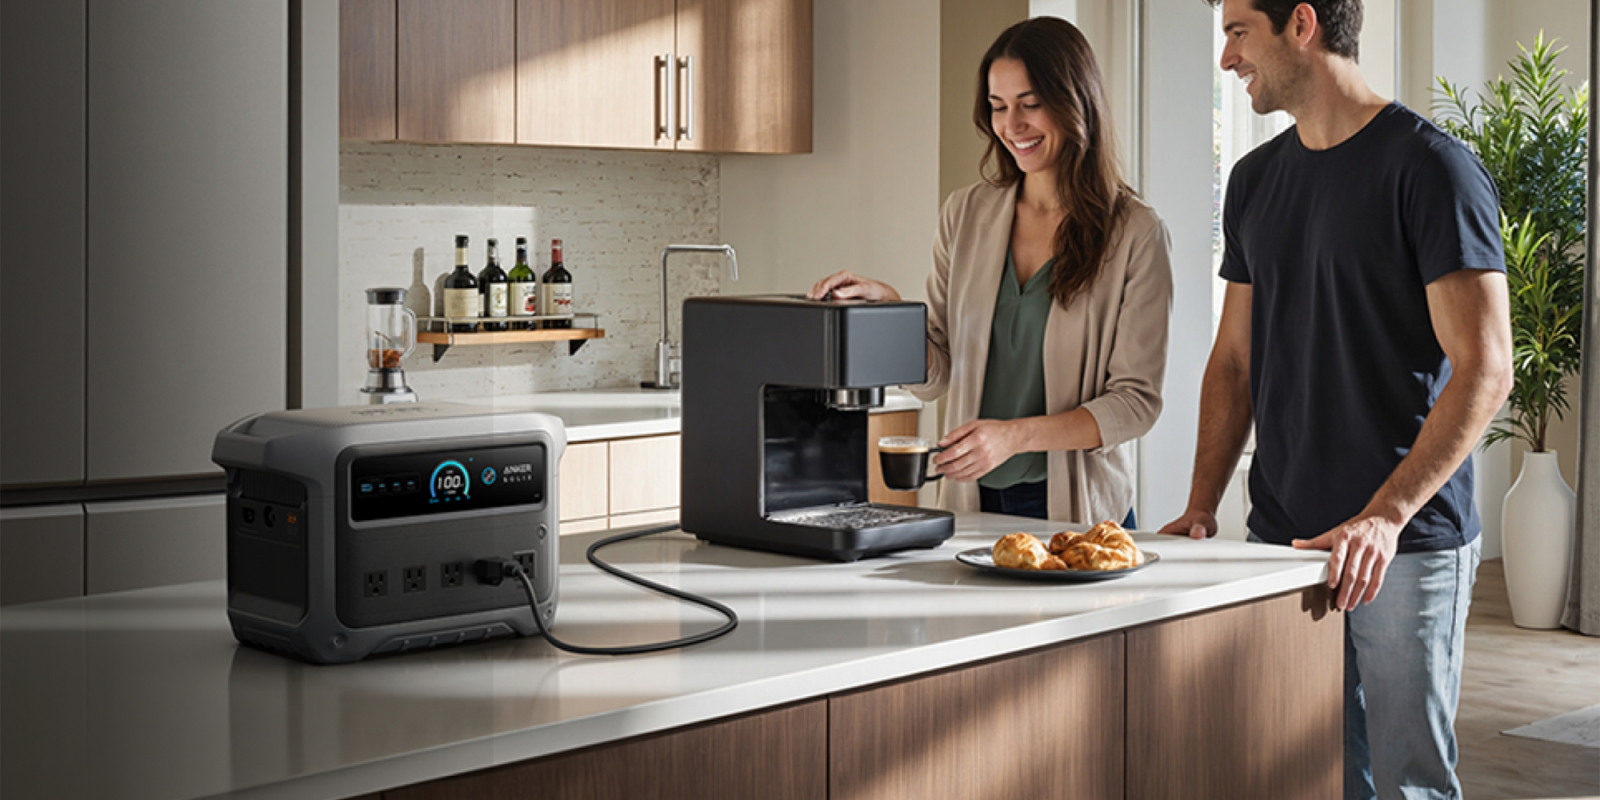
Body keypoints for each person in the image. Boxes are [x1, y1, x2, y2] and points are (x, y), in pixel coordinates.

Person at [1158, 1, 1513, 798]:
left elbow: (1486, 367)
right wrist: (1201, 502)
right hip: (1283, 541)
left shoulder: (1430, 168)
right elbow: (1235, 363)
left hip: (1405, 547)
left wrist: (1385, 517)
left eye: (1238, 31)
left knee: (1406, 784)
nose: (1226, 58)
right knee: (1303, 777)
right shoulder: (1254, 181)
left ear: (1303, 25)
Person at [809, 17, 1172, 526]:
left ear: (1075, 102)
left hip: (1078, 510)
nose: (1011, 126)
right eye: (999, 107)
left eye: (1030, 104)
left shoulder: (1135, 234)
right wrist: (891, 316)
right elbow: (937, 374)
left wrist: (1012, 437)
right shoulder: (965, 214)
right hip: (970, 503)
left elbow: (1136, 404)